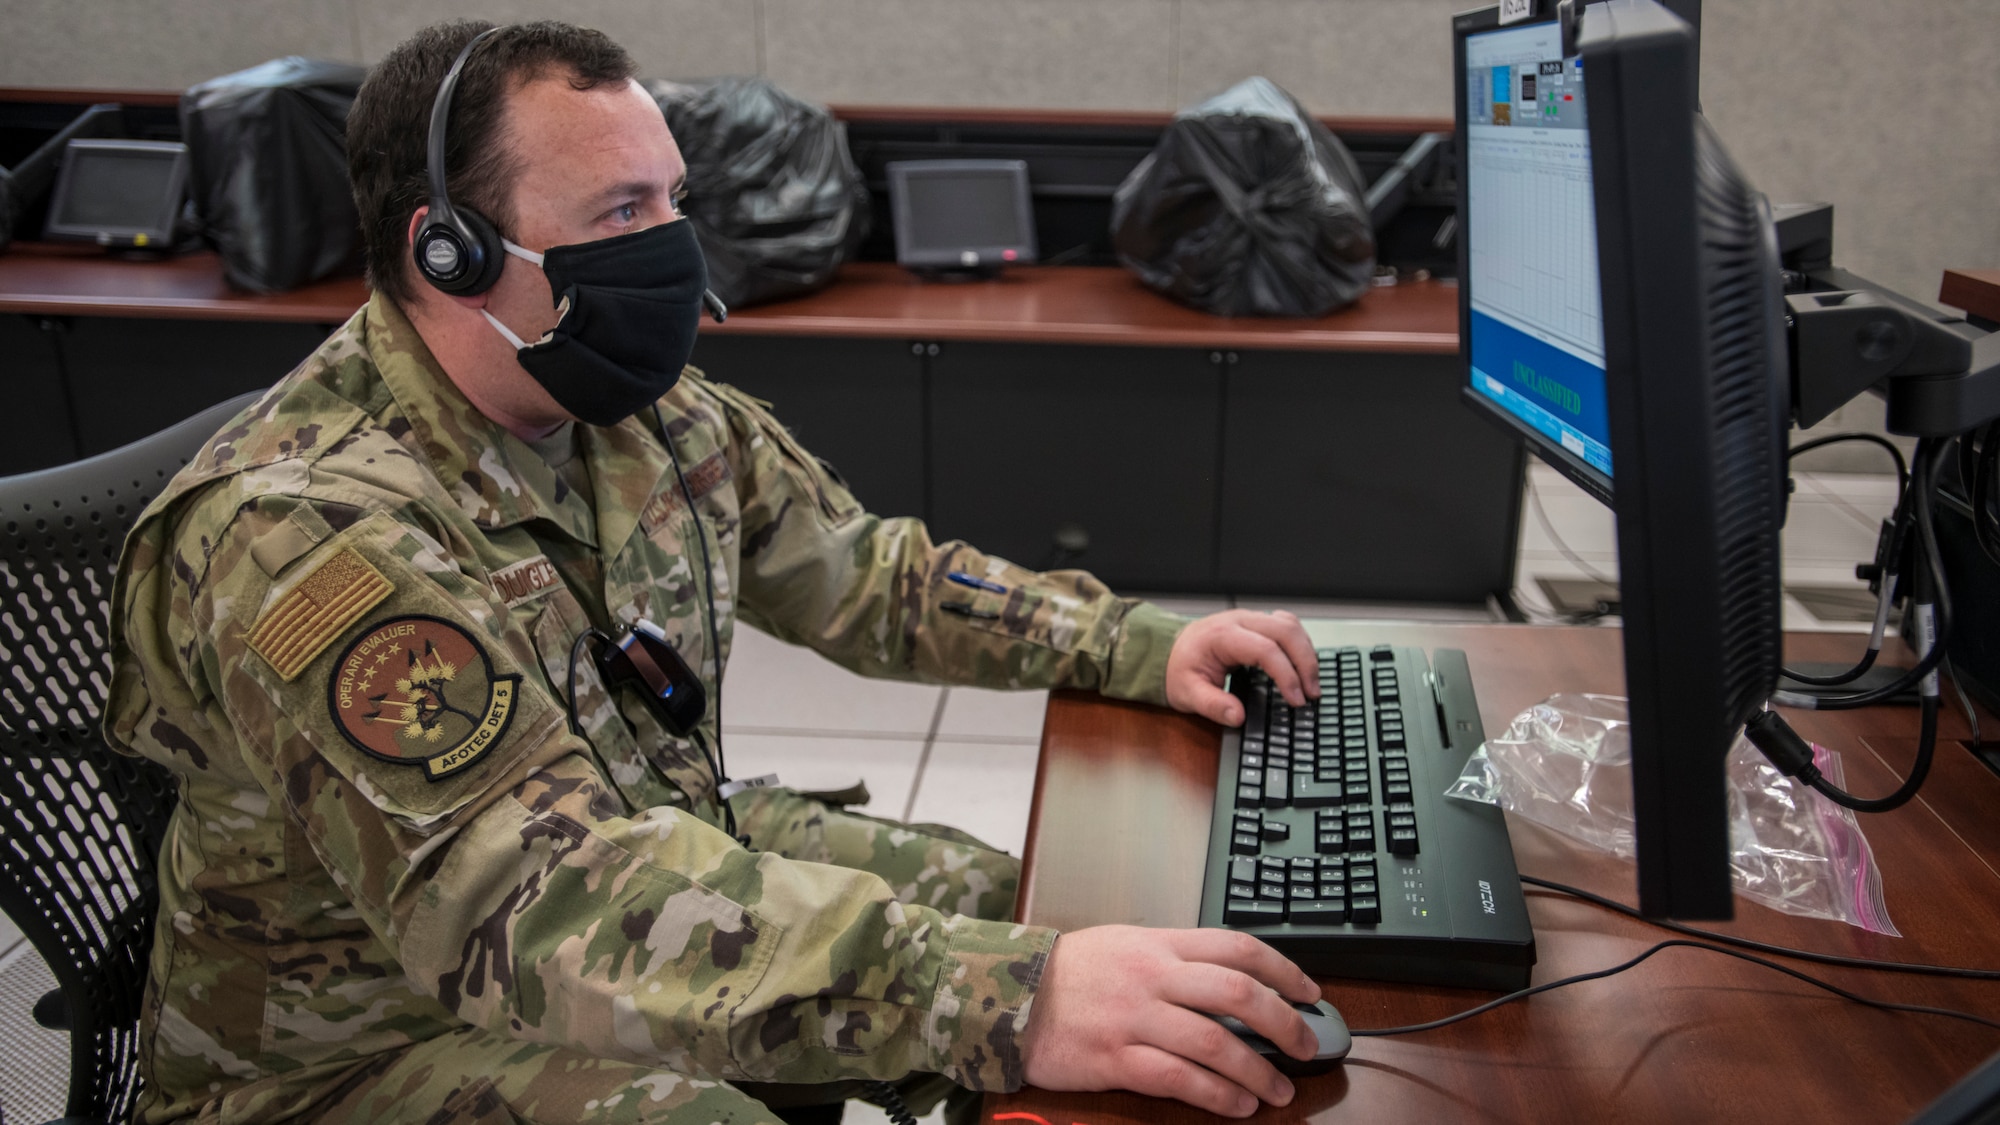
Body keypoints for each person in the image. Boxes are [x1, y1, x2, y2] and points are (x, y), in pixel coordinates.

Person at [107, 20, 1327, 1125]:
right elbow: (531, 902)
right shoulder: (308, 538)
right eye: (619, 212)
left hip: (638, 848)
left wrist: (1134, 644)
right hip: (362, 1051)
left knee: (1044, 908)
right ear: (451, 252)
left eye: (672, 201)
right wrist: (1001, 1001)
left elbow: (864, 576)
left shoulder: (625, 408)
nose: (676, 251)